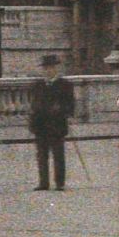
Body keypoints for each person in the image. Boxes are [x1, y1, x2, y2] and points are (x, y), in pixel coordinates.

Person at [29, 53, 75, 190]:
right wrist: (33, 118)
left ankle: (60, 183)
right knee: (42, 156)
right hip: (41, 125)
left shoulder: (65, 85)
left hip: (57, 125)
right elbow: (33, 104)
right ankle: (43, 183)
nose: (48, 70)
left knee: (58, 156)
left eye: (51, 67)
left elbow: (71, 106)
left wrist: (61, 109)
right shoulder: (37, 85)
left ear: (56, 69)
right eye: (46, 68)